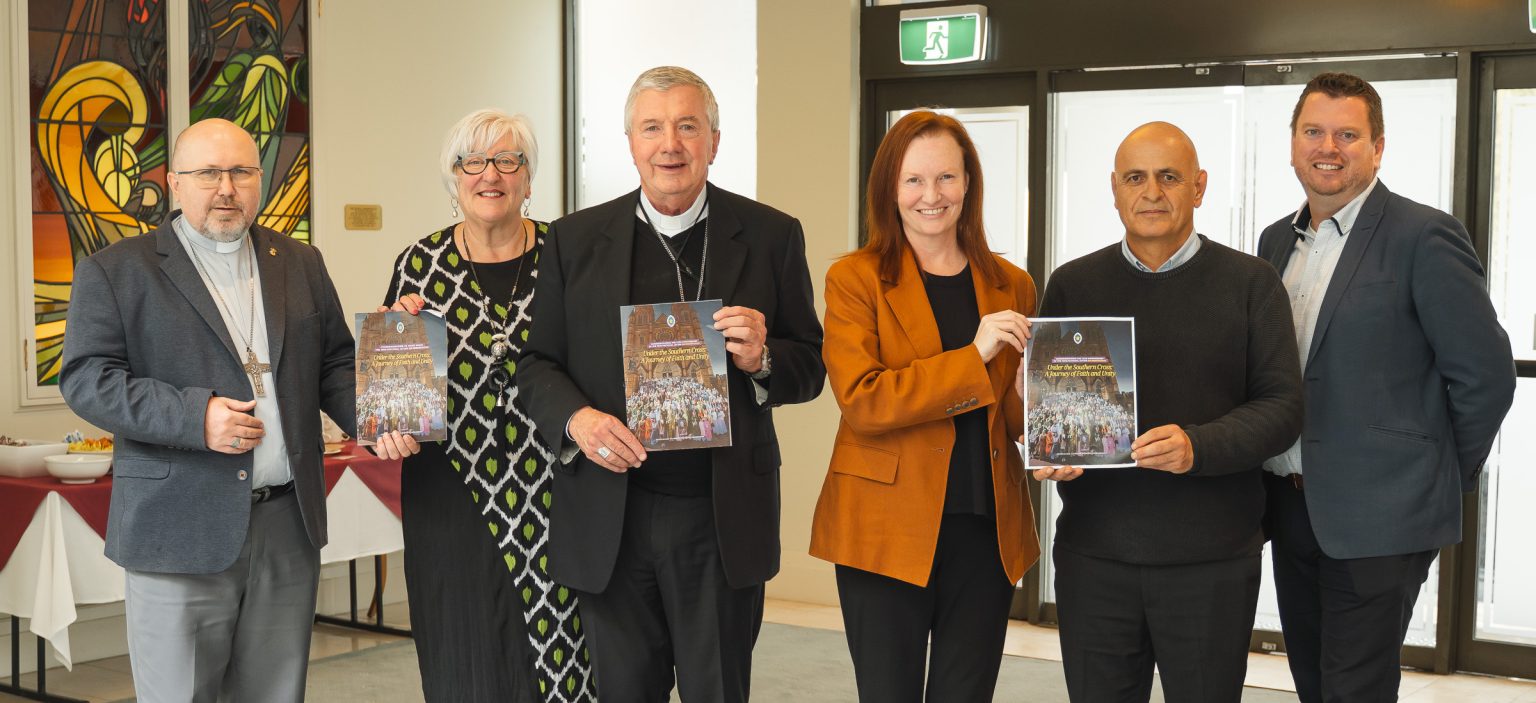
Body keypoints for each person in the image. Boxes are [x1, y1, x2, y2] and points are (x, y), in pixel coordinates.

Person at [59, 118, 418, 702]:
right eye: (208, 173)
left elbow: (332, 363)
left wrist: (382, 416)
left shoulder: (299, 261)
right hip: (179, 526)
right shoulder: (117, 269)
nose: (226, 188)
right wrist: (194, 418)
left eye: (241, 172)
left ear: (259, 180)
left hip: (287, 524)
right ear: (175, 183)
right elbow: (87, 379)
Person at [518, 65, 825, 702]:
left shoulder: (771, 235)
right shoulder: (574, 240)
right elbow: (537, 363)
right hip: (611, 512)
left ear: (714, 141)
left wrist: (763, 358)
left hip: (719, 514)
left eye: (688, 126)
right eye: (652, 128)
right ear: (631, 143)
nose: (670, 145)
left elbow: (811, 366)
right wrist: (577, 420)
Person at [1256, 72, 1516, 703]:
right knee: (1314, 681)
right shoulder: (1274, 242)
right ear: (1292, 144)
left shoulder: (1424, 235)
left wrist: (1434, 477)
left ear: (1377, 148)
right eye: (1313, 132)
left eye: (1348, 135)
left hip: (1382, 516)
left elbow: (1485, 376)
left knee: (1356, 689)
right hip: (1290, 507)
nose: (1328, 147)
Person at [1035, 121, 1303, 702]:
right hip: (1094, 556)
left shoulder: (1251, 284)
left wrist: (1197, 447)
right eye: (1135, 178)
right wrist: (1050, 450)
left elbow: (1283, 407)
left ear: (1199, 187)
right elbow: (1052, 407)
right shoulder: (1072, 284)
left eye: (1169, 177)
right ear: (1114, 189)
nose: (1151, 192)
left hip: (1211, 560)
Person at [808, 110, 1040, 702]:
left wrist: (1028, 400)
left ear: (969, 184)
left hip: (984, 530)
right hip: (884, 528)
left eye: (946, 178)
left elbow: (1011, 423)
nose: (931, 195)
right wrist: (974, 355)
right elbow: (863, 400)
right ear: (889, 188)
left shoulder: (1012, 284)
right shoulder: (854, 279)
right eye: (913, 179)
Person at [382, 109, 594, 702]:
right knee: (464, 654)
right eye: (472, 162)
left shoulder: (569, 253)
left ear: (528, 176)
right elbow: (393, 391)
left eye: (507, 160)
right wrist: (394, 345)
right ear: (454, 178)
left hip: (559, 487)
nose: (490, 175)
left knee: (565, 654)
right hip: (453, 491)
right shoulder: (418, 263)